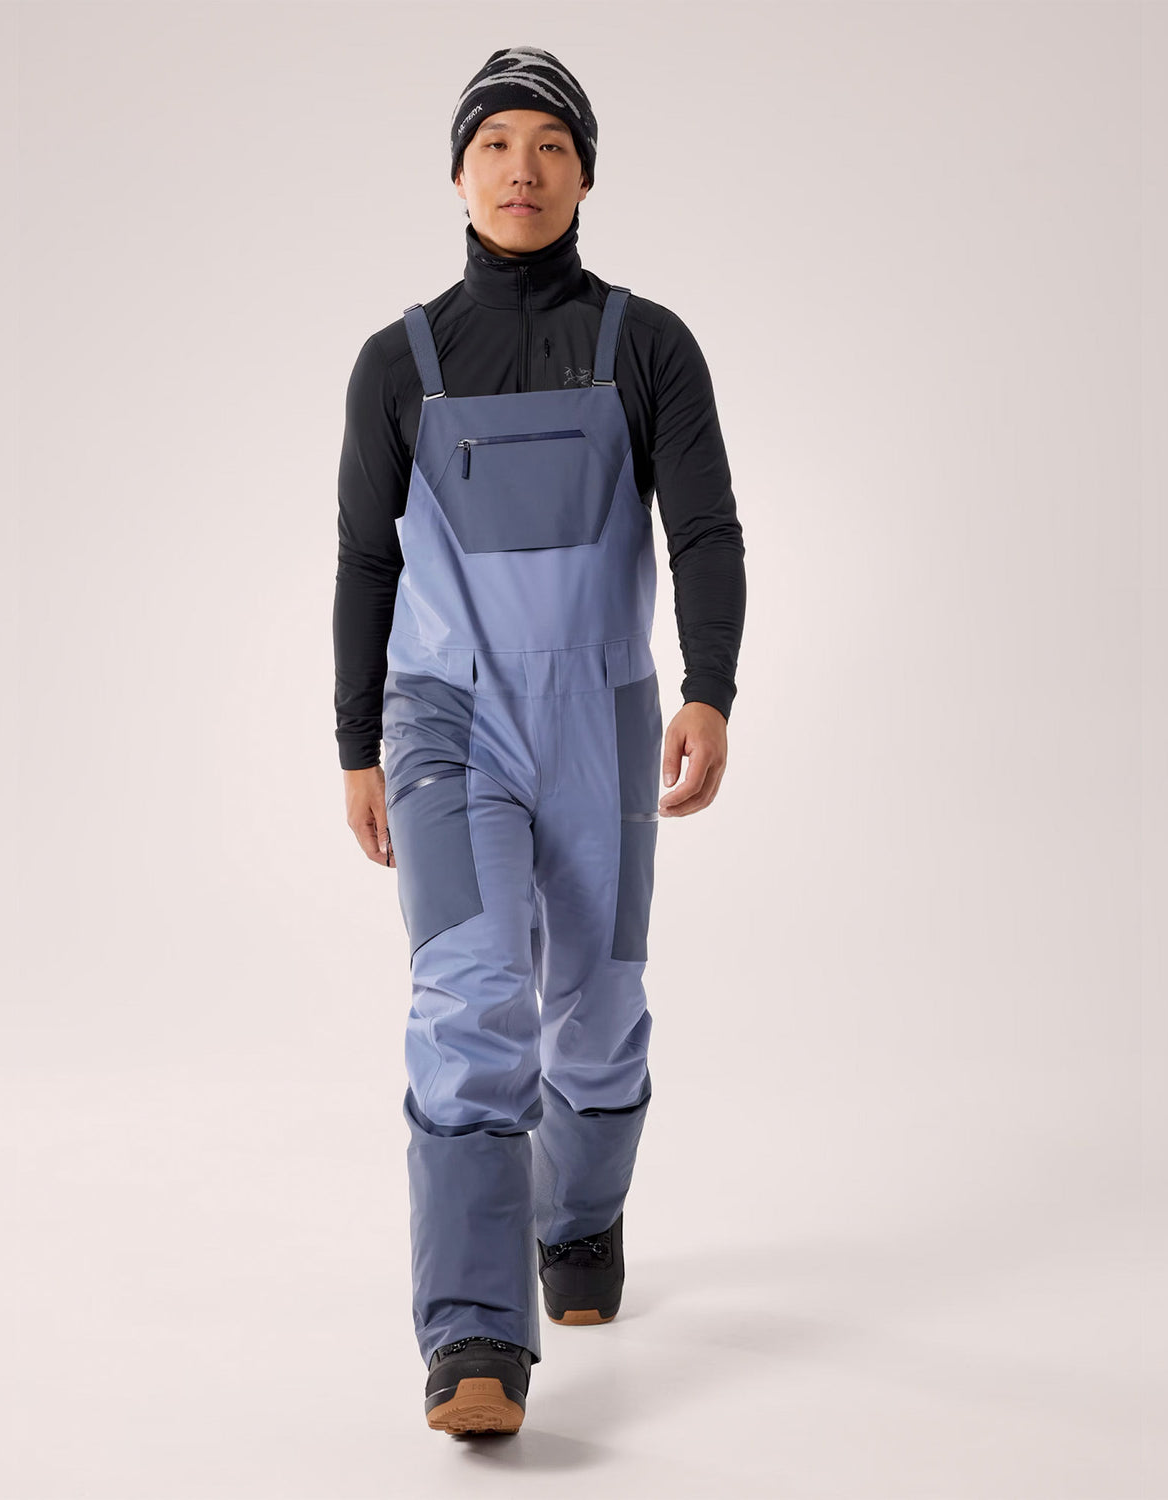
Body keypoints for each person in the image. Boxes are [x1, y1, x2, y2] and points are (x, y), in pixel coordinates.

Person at [333, 45, 747, 1436]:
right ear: (458, 174)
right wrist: (354, 743)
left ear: (585, 175)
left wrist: (710, 689)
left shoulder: (651, 346)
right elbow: (363, 564)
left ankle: (578, 1220)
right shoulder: (397, 365)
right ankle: (472, 1341)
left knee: (599, 1009)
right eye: (497, 143)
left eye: (552, 145)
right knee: (471, 1000)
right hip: (444, 720)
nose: (524, 168)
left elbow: (705, 531)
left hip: (602, 716)